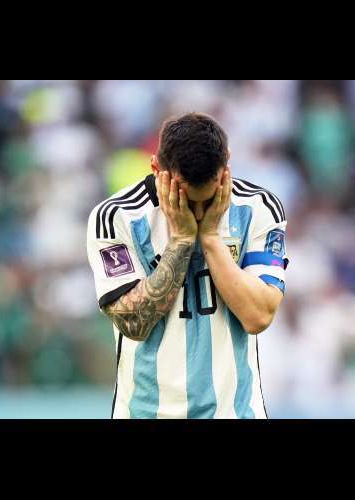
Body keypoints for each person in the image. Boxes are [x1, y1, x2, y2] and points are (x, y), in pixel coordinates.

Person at [87, 112, 288, 419]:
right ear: (157, 169)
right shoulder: (117, 217)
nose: (198, 212)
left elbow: (258, 316)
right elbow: (133, 324)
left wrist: (210, 238)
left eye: (207, 200)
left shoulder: (258, 208)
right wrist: (181, 240)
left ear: (226, 166)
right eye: (186, 199)